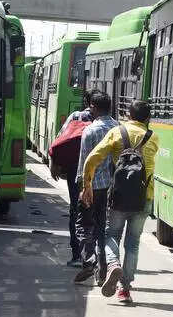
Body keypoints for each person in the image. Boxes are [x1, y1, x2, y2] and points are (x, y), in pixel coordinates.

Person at [81, 100, 158, 304]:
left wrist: (87, 185)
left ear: (128, 115)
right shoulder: (153, 138)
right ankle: (125, 289)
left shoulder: (117, 133)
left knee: (111, 235)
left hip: (118, 197)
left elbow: (92, 159)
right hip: (144, 198)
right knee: (133, 243)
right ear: (148, 119)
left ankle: (113, 264)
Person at [72, 91, 117, 285]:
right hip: (111, 187)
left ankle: (89, 261)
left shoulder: (90, 130)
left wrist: (82, 188)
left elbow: (84, 161)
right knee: (102, 229)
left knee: (82, 225)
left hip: (92, 187)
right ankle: (103, 269)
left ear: (93, 107)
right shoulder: (119, 129)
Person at [50, 90, 98, 266]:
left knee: (76, 211)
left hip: (76, 172)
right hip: (99, 174)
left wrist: (54, 163)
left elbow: (60, 139)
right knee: (97, 214)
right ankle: (95, 255)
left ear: (86, 101)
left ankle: (77, 254)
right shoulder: (109, 123)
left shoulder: (76, 116)